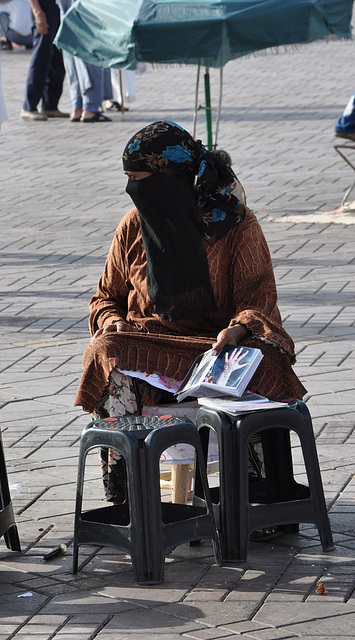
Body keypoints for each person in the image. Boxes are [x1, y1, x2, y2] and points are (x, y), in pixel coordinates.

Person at [75, 120, 307, 506]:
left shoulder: (236, 226)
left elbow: (259, 297)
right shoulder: (133, 226)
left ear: (172, 179)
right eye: (129, 180)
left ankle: (260, 489)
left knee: (264, 361)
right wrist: (111, 320)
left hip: (217, 350)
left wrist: (238, 330)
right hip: (151, 347)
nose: (134, 192)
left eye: (141, 180)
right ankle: (127, 487)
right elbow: (105, 297)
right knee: (106, 350)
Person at [57, 0, 112, 123]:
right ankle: (90, 108)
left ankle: (78, 107)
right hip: (86, 17)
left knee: (73, 60)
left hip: (69, 18)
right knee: (90, 60)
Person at [21, 0, 68, 121]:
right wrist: (37, 12)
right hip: (42, 7)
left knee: (56, 59)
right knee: (40, 59)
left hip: (54, 7)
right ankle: (29, 107)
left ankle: (50, 105)